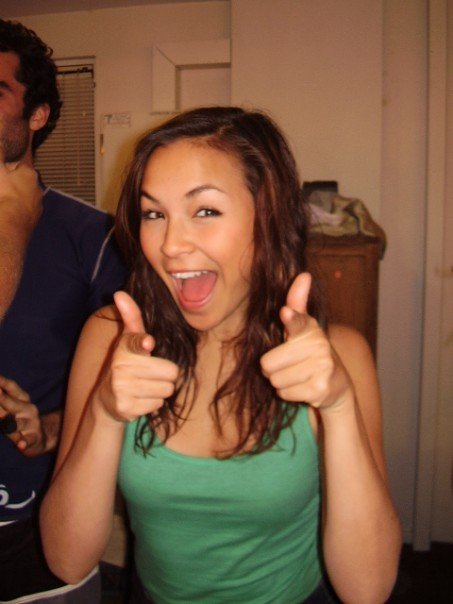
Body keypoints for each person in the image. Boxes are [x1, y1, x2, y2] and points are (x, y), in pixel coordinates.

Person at [40, 106, 402, 604]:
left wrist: (338, 407)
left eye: (205, 211)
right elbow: (66, 559)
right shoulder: (111, 340)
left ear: (268, 216)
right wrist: (103, 413)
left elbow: (368, 589)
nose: (171, 245)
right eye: (154, 214)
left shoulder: (340, 356)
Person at [0, 19, 125, 603]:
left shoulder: (93, 237)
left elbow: (125, 378)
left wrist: (51, 427)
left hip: (32, 530)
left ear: (38, 115)